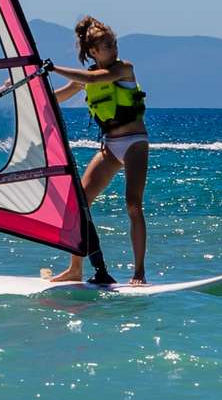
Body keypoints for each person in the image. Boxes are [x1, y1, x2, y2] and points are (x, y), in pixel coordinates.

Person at [43, 18, 151, 284]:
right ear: (93, 51)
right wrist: (30, 86)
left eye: (114, 43)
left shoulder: (124, 68)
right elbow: (57, 97)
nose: (114, 49)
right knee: (79, 203)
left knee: (133, 204)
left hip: (135, 142)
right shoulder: (86, 77)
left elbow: (92, 78)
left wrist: (54, 68)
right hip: (110, 147)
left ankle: (139, 272)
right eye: (107, 46)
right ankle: (75, 268)